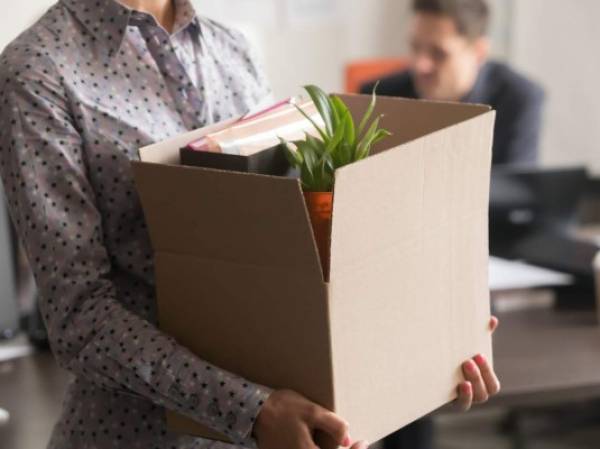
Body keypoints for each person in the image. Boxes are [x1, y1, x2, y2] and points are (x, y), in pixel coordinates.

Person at [0, 1, 500, 448]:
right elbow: (80, 320)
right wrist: (255, 410)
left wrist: (423, 352)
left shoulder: (232, 49)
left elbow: (288, 261)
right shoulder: (39, 70)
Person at [361, 0, 545, 166]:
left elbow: (516, 196)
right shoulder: (377, 97)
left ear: (479, 53)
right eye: (415, 47)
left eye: (439, 54)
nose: (420, 65)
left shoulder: (519, 99)